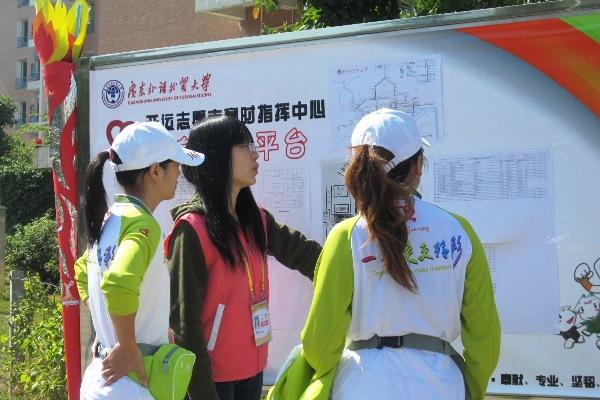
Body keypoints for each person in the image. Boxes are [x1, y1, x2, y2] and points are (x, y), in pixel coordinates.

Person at [268, 108, 501, 400]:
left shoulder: (346, 235)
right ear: (418, 167)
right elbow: (485, 336)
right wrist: (469, 386)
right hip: (441, 385)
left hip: (360, 385)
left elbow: (321, 339)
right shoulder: (458, 230)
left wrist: (324, 374)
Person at [165, 116, 322, 400]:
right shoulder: (192, 229)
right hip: (212, 381)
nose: (255, 154)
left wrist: (352, 272)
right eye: (245, 146)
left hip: (252, 370)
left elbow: (305, 254)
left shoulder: (255, 219)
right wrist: (203, 394)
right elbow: (184, 325)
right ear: (217, 156)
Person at [75, 121, 205, 399]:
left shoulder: (112, 218)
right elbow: (118, 282)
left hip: (102, 380)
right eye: (176, 164)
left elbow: (82, 270)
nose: (179, 172)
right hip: (131, 383)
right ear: (156, 171)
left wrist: (107, 328)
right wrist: (125, 346)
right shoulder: (141, 225)